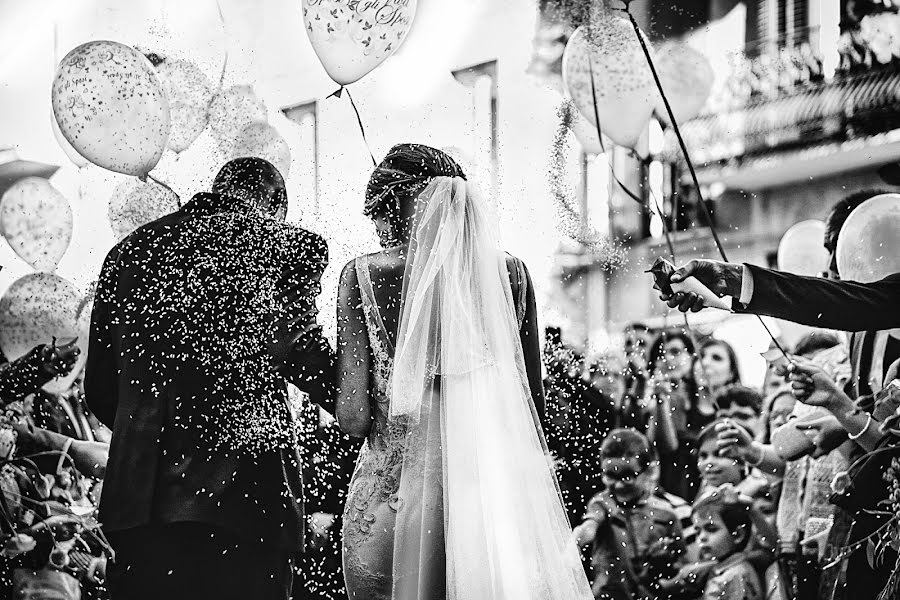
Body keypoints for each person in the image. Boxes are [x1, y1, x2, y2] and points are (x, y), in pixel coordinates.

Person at [335, 144, 591, 599]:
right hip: (487, 517)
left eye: (374, 217)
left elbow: (354, 416)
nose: (375, 232)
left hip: (391, 506)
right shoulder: (510, 274)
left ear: (394, 207)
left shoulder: (362, 275)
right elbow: (531, 404)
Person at [85, 158, 336, 600]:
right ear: (276, 205)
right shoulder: (286, 245)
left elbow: (103, 391)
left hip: (138, 505)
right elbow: (300, 353)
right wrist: (368, 409)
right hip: (246, 499)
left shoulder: (126, 253)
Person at [573, 428, 686, 599]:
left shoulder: (666, 514)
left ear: (649, 471)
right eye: (610, 476)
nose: (618, 485)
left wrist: (662, 561)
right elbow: (590, 526)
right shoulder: (603, 503)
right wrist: (575, 544)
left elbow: (679, 567)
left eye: (627, 476)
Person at [645, 330, 714, 501]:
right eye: (660, 355)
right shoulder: (651, 400)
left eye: (675, 352)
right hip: (670, 486)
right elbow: (664, 445)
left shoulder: (705, 394)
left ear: (692, 356)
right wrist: (661, 401)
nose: (667, 359)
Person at [691, 485, 764, 600]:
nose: (702, 538)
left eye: (711, 529)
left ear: (738, 535)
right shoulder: (722, 569)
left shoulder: (736, 575)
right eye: (698, 531)